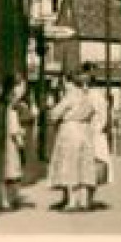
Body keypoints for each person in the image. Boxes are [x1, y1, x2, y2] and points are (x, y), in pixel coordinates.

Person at [46, 71, 98, 211]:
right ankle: (85, 201)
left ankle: (72, 201)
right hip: (85, 132)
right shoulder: (87, 97)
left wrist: (52, 109)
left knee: (70, 165)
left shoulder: (70, 96)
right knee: (84, 165)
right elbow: (93, 113)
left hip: (70, 132)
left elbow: (54, 114)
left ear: (70, 83)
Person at [0, 77, 29, 211]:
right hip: (9, 144)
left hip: (3, 141)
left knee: (6, 173)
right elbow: (13, 129)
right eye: (19, 88)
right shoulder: (11, 108)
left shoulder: (4, 106)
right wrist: (20, 137)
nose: (21, 92)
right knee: (8, 173)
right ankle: (6, 200)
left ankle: (7, 200)